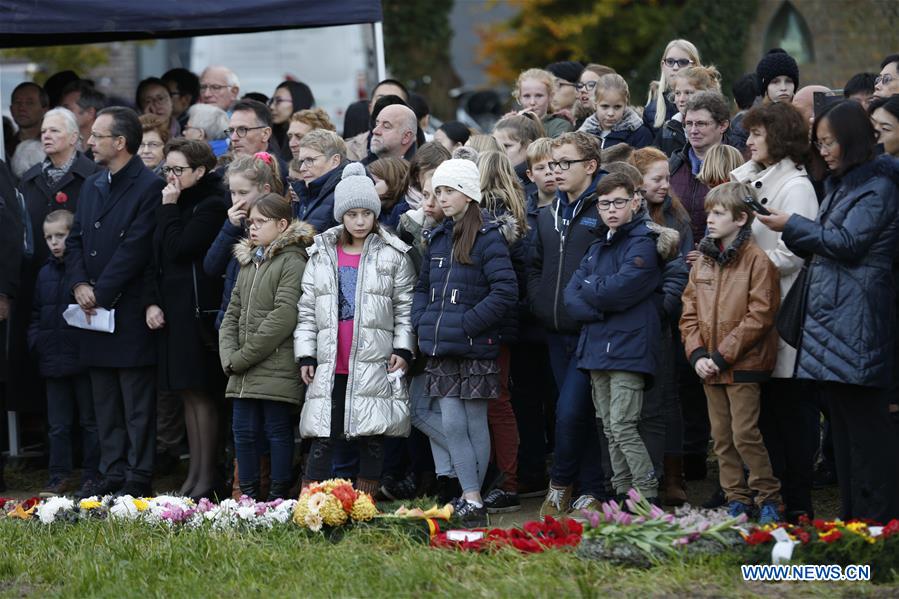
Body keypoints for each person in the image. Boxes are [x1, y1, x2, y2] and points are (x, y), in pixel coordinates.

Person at [756, 100, 899, 523]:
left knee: (867, 438)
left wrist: (793, 226)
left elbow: (848, 244)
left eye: (831, 141)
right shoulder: (845, 183)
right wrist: (790, 230)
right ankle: (856, 526)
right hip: (835, 321)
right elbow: (829, 241)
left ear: (853, 139)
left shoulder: (880, 186)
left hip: (858, 321)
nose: (825, 150)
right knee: (846, 429)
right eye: (819, 143)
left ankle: (878, 530)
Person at [295, 162, 416, 495]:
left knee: (371, 436)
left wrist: (402, 349)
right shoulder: (321, 255)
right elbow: (307, 310)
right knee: (323, 435)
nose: (360, 221)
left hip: (373, 358)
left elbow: (405, 308)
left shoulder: (393, 255)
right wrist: (306, 354)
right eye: (352, 214)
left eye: (366, 213)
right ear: (341, 216)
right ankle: (312, 502)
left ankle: (365, 502)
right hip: (331, 359)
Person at [66, 106, 167, 498]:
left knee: (136, 400)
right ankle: (112, 469)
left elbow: (135, 248)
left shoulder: (148, 187)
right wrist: (78, 284)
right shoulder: (92, 184)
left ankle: (139, 473)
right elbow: (75, 237)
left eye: (97, 136)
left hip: (127, 308)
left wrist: (101, 292)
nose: (89, 142)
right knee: (104, 400)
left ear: (120, 142)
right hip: (92, 309)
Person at [411, 156, 518, 526]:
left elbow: (505, 290)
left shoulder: (488, 237)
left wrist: (470, 324)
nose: (441, 197)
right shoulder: (438, 236)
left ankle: (476, 496)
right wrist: (422, 322)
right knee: (452, 422)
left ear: (468, 194)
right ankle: (470, 495)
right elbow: (423, 288)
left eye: (448, 190)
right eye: (437, 190)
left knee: (474, 422)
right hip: (442, 347)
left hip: (474, 346)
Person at [729, 101, 819, 521]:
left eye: (756, 135)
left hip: (783, 316)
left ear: (778, 138)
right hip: (757, 313)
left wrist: (742, 268)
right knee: (764, 417)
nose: (747, 142)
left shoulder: (796, 188)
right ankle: (770, 498)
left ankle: (798, 504)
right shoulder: (756, 178)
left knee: (790, 417)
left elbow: (793, 254)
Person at [680, 181, 782, 524]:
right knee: (721, 437)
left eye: (719, 213)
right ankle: (736, 497)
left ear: (741, 218)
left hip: (742, 365)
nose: (710, 219)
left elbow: (760, 316)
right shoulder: (703, 261)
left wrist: (720, 357)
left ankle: (768, 497)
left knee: (745, 434)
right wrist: (697, 356)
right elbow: (688, 311)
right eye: (709, 212)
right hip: (708, 365)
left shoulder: (757, 261)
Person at [563, 172, 661, 503]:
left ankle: (646, 494)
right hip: (595, 348)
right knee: (607, 427)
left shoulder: (644, 244)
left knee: (623, 426)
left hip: (629, 349)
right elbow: (571, 298)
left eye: (619, 202)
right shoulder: (596, 246)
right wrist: (598, 299)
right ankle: (622, 494)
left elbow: (616, 292)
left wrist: (595, 292)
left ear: (635, 201)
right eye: (604, 204)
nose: (611, 209)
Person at [143, 139, 228, 501]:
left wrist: (169, 206)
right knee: (186, 394)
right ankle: (194, 473)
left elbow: (179, 247)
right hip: (174, 308)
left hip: (198, 311)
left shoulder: (211, 204)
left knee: (202, 393)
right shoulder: (175, 202)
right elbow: (156, 251)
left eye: (179, 170)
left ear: (200, 171)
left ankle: (207, 477)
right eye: (168, 170)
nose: (171, 178)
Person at [530, 132, 609, 515]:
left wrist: (590, 305)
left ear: (590, 166)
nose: (555, 171)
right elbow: (534, 264)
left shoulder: (604, 209)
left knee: (571, 409)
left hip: (591, 330)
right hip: (554, 329)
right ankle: (589, 486)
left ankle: (561, 482)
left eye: (565, 163)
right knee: (574, 410)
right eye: (551, 164)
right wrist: (540, 300)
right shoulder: (549, 214)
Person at [219, 194, 313, 500]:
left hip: (274, 366)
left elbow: (284, 315)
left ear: (283, 224)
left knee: (277, 431)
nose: (253, 228)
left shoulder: (292, 260)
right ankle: (246, 498)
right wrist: (228, 356)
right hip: (243, 368)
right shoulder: (249, 261)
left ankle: (277, 497)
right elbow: (231, 313)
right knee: (242, 433)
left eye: (261, 222)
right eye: (250, 222)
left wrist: (241, 357)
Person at [28, 210, 99, 497]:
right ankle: (58, 475)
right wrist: (37, 343)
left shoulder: (81, 270)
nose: (54, 243)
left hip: (81, 358)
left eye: (60, 235)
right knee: (58, 425)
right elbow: (35, 313)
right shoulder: (44, 272)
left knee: (89, 421)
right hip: (52, 360)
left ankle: (92, 475)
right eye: (49, 237)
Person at [476, 150, 529, 512]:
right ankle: (503, 478)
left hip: (489, 326)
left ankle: (503, 480)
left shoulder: (487, 222)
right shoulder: (519, 215)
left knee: (494, 405)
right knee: (498, 403)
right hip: (506, 326)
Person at [669, 91, 731, 245]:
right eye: (689, 123)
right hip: (675, 261)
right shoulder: (672, 167)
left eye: (701, 124)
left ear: (723, 125)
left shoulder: (737, 169)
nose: (693, 130)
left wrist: (709, 252)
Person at [654, 65, 722, 157]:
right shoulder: (668, 128)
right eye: (677, 93)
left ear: (707, 93)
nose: (681, 99)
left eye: (688, 93)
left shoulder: (719, 126)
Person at [292, 128, 347, 233]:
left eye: (310, 160)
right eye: (302, 161)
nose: (302, 168)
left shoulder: (344, 194)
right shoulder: (308, 192)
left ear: (334, 161)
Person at [579, 74, 652, 150]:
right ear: (595, 104)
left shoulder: (640, 134)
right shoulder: (583, 135)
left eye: (617, 107)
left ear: (625, 105)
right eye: (605, 106)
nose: (610, 113)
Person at [227, 99, 289, 189]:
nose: (233, 138)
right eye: (231, 130)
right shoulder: (222, 172)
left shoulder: (282, 175)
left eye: (242, 129)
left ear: (265, 134)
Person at [645, 40, 701, 131]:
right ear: (663, 66)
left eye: (683, 62)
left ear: (695, 66)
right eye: (670, 61)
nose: (675, 68)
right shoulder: (650, 110)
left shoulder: (712, 105)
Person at [512, 68, 573, 138]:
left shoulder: (560, 125)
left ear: (550, 96)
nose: (532, 102)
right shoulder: (511, 125)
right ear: (519, 98)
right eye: (527, 96)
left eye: (539, 96)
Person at [493, 114, 545, 196]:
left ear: (529, 146)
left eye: (507, 146)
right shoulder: (495, 179)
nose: (499, 151)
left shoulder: (542, 185)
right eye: (495, 146)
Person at [269, 81, 315, 162]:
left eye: (278, 101)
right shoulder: (270, 135)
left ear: (298, 101)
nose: (271, 106)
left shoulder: (313, 138)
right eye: (272, 101)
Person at [60, 81, 106, 154]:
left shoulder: (109, 150)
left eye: (68, 109)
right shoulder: (64, 147)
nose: (61, 114)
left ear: (90, 112)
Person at [8, 82, 49, 160]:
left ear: (45, 110)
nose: (22, 108)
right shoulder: (5, 148)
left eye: (30, 103)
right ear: (11, 109)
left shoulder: (55, 144)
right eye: (17, 102)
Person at [368, 157, 410, 229]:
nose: (368, 187)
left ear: (392, 181)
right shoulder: (377, 210)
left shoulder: (409, 210)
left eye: (373, 182)